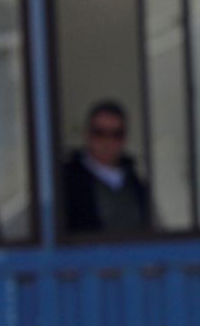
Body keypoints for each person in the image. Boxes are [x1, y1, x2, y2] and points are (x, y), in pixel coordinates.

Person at [61, 100, 151, 234]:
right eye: (99, 132)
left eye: (116, 134)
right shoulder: (66, 181)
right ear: (87, 134)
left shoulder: (137, 182)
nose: (107, 141)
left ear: (124, 138)